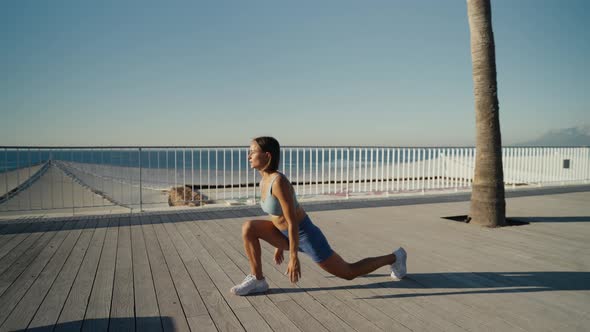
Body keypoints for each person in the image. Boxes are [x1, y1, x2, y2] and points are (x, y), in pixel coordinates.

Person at [230, 136, 407, 296]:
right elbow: (276, 213)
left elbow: (291, 221)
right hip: (284, 234)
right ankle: (258, 280)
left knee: (348, 272)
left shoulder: (279, 182)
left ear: (267, 155)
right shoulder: (264, 180)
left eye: (252, 152)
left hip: (304, 235)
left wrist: (293, 257)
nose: (249, 156)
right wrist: (279, 245)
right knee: (249, 228)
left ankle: (395, 257)